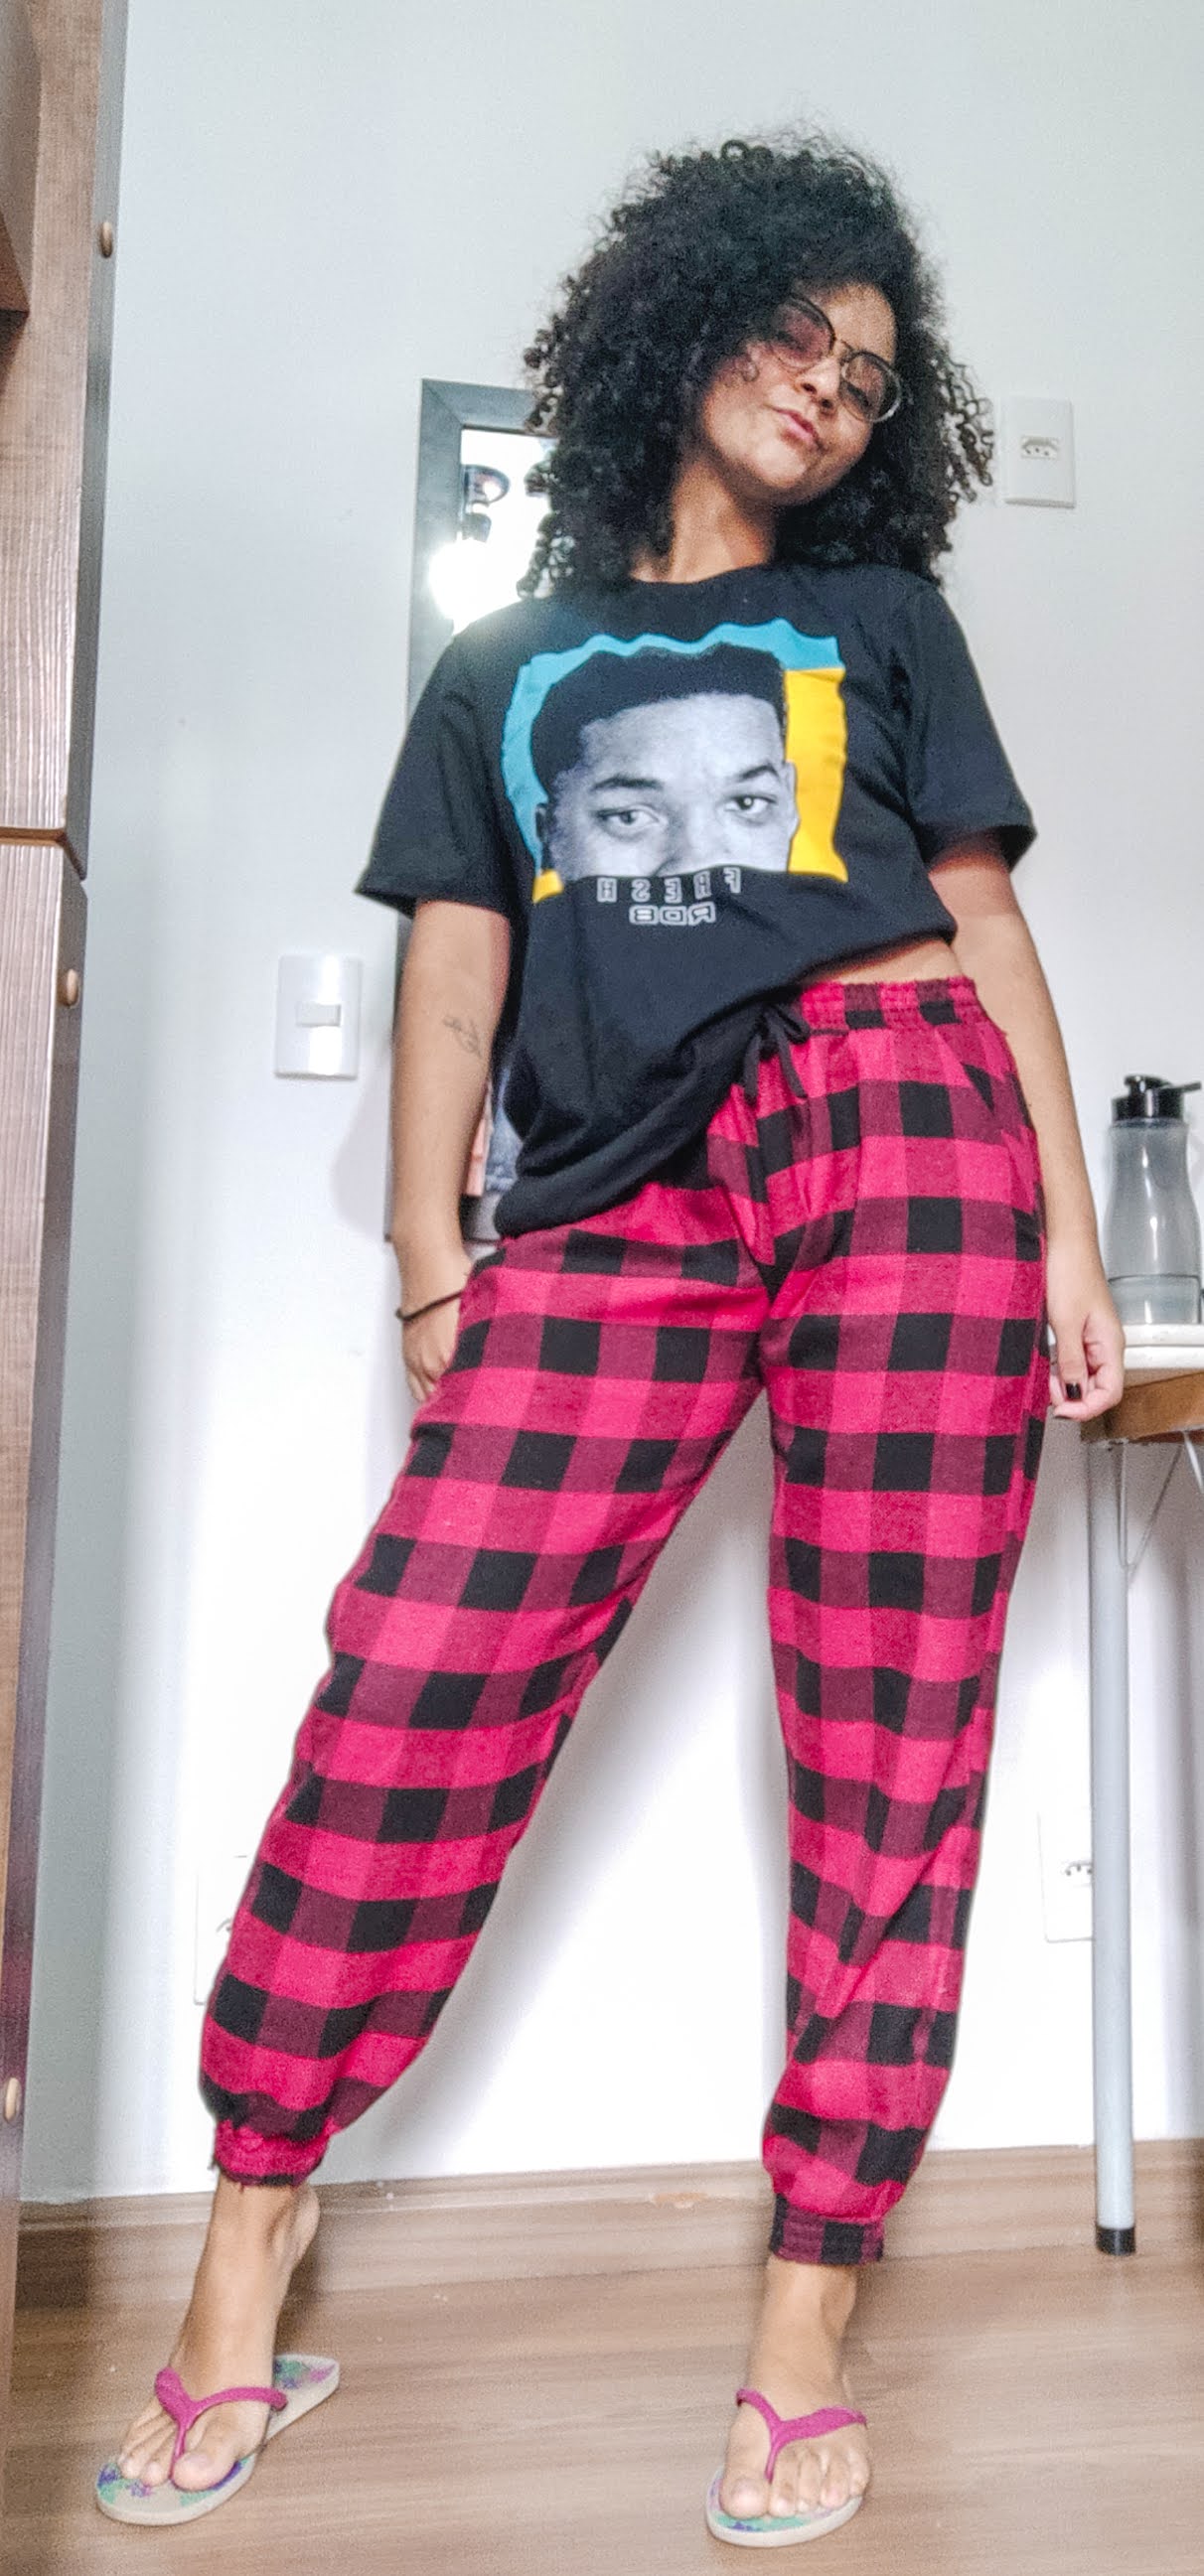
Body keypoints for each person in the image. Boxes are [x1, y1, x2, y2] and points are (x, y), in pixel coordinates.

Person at [99, 131, 1124, 2542]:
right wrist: (427, 1251)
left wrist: (1071, 1235)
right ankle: (247, 2250)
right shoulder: (501, 666)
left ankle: (807, 2308)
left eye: (870, 373)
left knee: (893, 1730)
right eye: (794, 332)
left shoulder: (883, 621)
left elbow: (983, 930)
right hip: (610, 1194)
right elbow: (455, 964)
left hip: (903, 1125)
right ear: (686, 322)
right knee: (418, 1675)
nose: (830, 387)